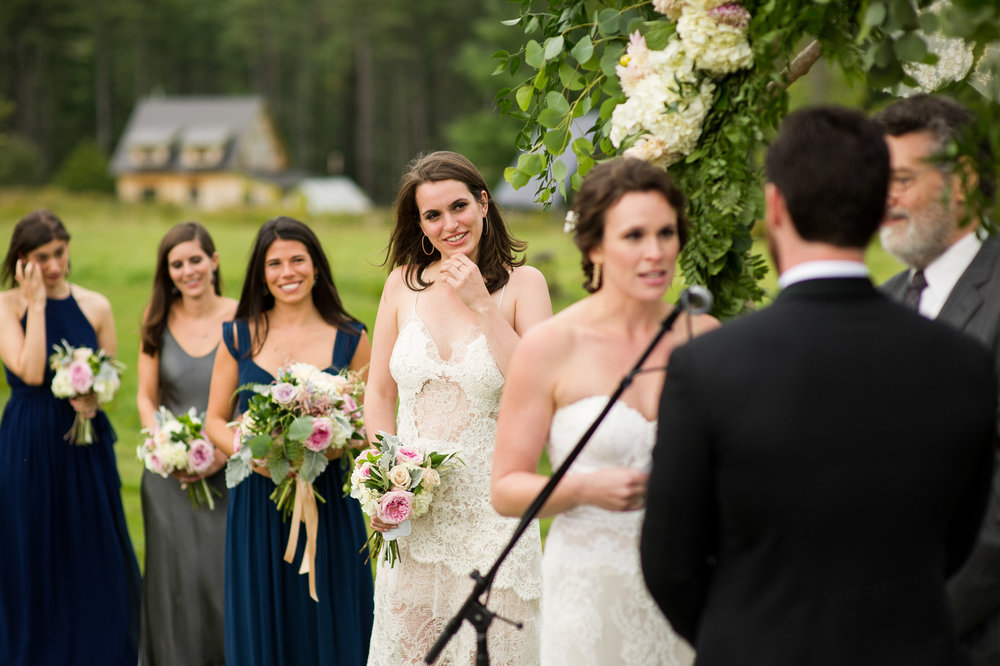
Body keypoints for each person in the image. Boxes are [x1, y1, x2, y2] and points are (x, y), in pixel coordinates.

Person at [640, 106, 998, 665]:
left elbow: (669, 562)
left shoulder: (705, 366)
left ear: (776, 206)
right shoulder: (962, 362)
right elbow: (956, 540)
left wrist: (745, 635)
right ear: (873, 202)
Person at [491, 157, 716, 665]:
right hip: (587, 590)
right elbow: (506, 489)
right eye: (634, 236)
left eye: (666, 233)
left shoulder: (705, 338)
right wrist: (582, 489)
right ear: (595, 247)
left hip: (687, 589)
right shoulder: (551, 346)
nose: (656, 252)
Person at [364, 150, 552, 665]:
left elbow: (535, 387)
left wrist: (482, 303)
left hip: (493, 520)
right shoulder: (402, 286)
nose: (450, 224)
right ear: (421, 226)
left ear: (484, 204)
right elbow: (379, 394)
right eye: (433, 215)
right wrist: (386, 477)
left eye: (459, 206)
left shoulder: (525, 285)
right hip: (415, 519)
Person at [204, 216, 373, 665]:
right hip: (258, 503)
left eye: (298, 259)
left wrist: (336, 442)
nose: (287, 272)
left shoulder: (352, 337)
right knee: (263, 622)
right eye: (274, 263)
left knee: (332, 625)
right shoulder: (239, 335)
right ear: (261, 274)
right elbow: (215, 421)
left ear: (316, 266)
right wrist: (253, 450)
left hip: (330, 504)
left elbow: (368, 423)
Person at [875, 93, 1000, 664]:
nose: (885, 198)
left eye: (901, 179)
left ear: (965, 179)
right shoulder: (876, 305)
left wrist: (917, 627)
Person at [0, 210, 141, 665]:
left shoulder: (95, 304)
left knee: (90, 544)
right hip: (29, 439)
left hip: (83, 442)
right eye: (42, 257)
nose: (55, 265)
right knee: (33, 542)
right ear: (22, 260)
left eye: (60, 252)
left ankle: (94, 649)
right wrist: (37, 304)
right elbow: (28, 370)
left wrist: (94, 399)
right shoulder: (5, 306)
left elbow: (111, 376)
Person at [136, 221, 237, 666]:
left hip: (228, 470)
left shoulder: (244, 315)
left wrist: (220, 451)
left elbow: (250, 391)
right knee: (175, 587)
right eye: (176, 264)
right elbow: (145, 394)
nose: (187, 270)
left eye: (195, 259)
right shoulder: (157, 318)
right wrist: (162, 444)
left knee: (220, 582)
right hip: (168, 479)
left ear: (213, 261)